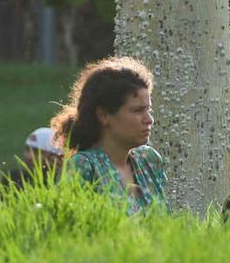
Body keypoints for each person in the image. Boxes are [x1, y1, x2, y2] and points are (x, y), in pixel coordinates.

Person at [49, 56, 169, 213]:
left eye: (148, 109)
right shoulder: (84, 167)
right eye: (137, 110)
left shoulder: (148, 160)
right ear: (104, 116)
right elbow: (69, 228)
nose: (149, 120)